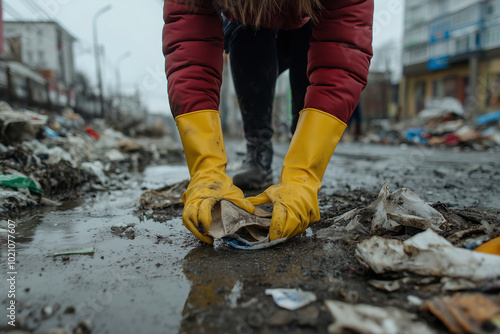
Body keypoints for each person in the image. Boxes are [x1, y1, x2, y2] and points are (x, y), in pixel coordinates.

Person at [163, 0, 373, 244]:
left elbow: (341, 55)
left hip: (311, 20)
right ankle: (259, 149)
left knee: (314, 41)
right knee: (246, 32)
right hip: (248, 27)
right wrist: (205, 168)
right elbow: (190, 48)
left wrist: (303, 174)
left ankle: (299, 154)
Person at [224, 19, 312, 189]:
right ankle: (259, 150)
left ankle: (304, 156)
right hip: (259, 24)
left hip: (311, 22)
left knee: (312, 35)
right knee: (245, 26)